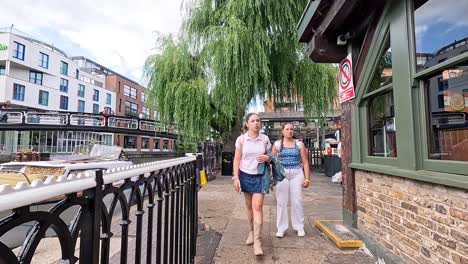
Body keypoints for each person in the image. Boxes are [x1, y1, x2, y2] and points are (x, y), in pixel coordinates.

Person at [232, 113, 271, 256]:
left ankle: (258, 242)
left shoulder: (265, 139)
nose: (256, 123)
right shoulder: (241, 140)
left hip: (260, 176)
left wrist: (268, 157)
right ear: (247, 124)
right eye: (253, 121)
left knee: (258, 206)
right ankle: (250, 231)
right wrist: (235, 177)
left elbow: (272, 157)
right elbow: (237, 159)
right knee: (249, 206)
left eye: (258, 120)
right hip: (244, 175)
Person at [272, 123, 310, 238]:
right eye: (287, 129)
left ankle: (299, 227)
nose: (289, 131)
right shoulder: (277, 144)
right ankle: (281, 228)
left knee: (297, 201)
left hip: (296, 174)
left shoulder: (299, 144)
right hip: (282, 174)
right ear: (282, 131)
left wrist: (307, 178)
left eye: (291, 129)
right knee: (281, 202)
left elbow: (305, 162)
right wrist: (272, 176)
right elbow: (272, 161)